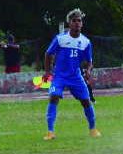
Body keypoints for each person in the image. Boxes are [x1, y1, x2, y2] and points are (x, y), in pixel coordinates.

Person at [42, 9, 100, 140]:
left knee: (86, 101)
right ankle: (50, 132)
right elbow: (48, 54)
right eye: (74, 21)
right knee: (53, 97)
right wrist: (47, 71)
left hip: (76, 77)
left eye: (79, 21)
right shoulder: (60, 39)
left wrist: (89, 70)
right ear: (69, 23)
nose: (77, 23)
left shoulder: (85, 42)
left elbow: (89, 61)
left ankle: (93, 129)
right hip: (59, 76)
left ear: (82, 24)